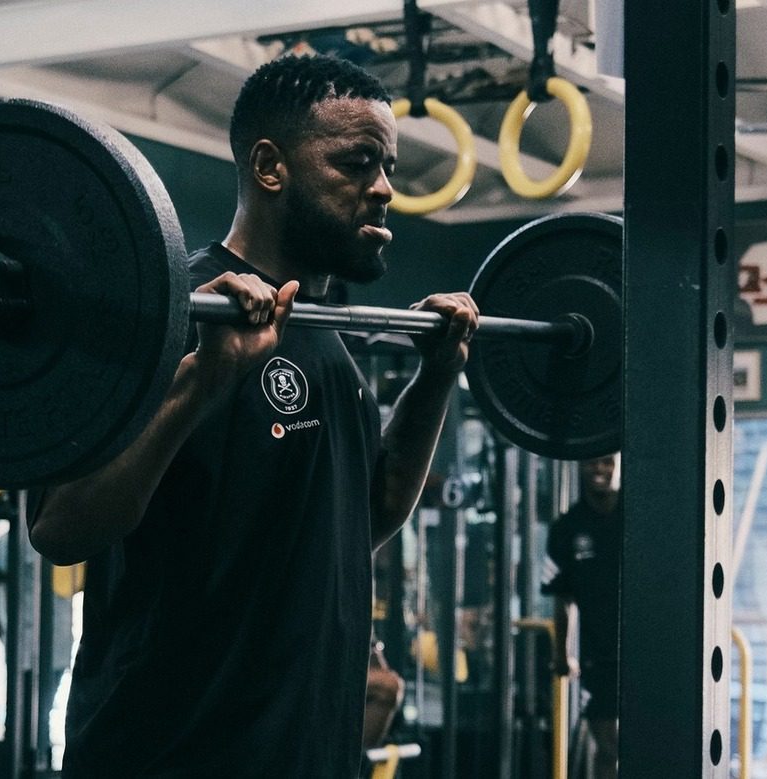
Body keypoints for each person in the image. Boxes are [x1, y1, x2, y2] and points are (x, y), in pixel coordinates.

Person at [28, 54, 478, 776]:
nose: (386, 189)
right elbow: (59, 525)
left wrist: (436, 379)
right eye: (359, 162)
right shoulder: (177, 313)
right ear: (271, 167)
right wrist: (207, 376)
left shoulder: (323, 333)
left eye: (387, 165)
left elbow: (372, 511)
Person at [543, 453, 622, 779]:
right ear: (580, 466)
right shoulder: (566, 528)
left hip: (644, 651)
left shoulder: (641, 517)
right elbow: (562, 599)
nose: (600, 470)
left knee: (641, 744)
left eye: (608, 463)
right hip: (597, 655)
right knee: (609, 750)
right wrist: (562, 654)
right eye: (593, 463)